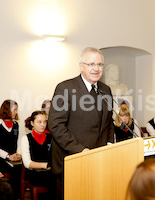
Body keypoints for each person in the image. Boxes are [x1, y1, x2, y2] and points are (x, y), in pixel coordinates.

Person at [48, 47, 114, 199]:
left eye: (100, 64)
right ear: (81, 66)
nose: (96, 69)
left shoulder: (105, 90)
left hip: (99, 161)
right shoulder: (65, 88)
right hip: (72, 160)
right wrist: (80, 150)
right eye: (91, 64)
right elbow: (56, 125)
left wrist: (110, 145)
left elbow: (109, 122)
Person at [0, 99, 22, 199]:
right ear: (6, 110)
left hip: (14, 159)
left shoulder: (16, 125)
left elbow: (19, 143)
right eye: (14, 110)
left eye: (16, 110)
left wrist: (18, 154)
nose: (16, 112)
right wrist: (8, 156)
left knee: (18, 169)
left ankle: (16, 196)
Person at [22, 111, 54, 199]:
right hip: (33, 172)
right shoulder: (26, 138)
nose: (42, 125)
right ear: (32, 123)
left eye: (44, 122)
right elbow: (27, 163)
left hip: (49, 171)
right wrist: (45, 166)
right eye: (39, 122)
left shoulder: (50, 137)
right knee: (53, 179)